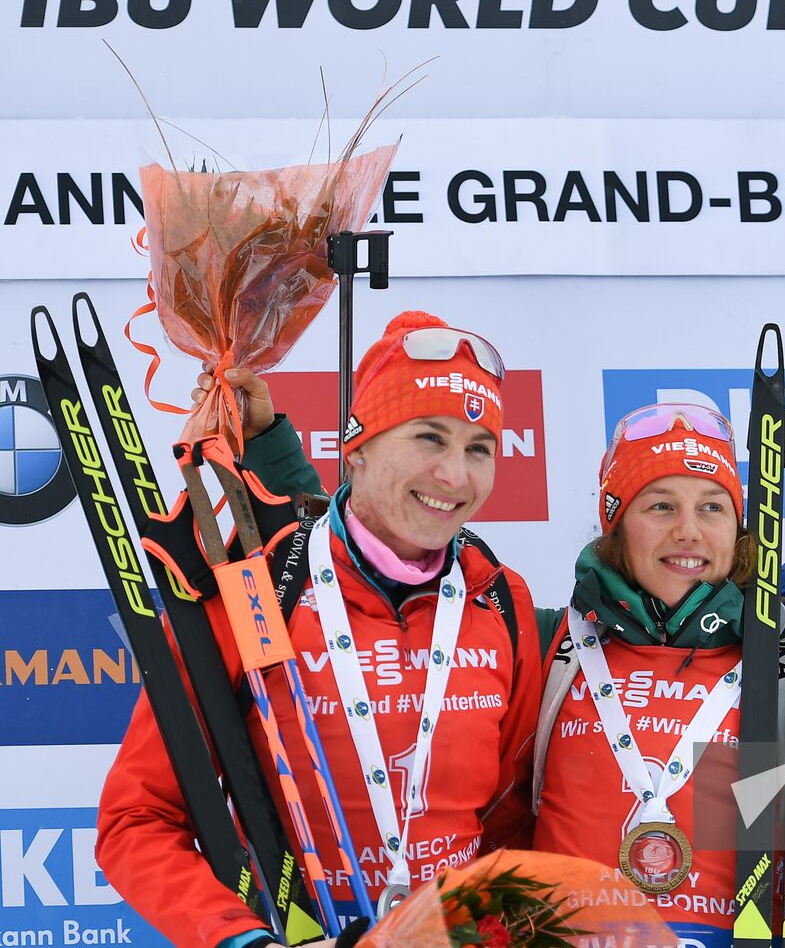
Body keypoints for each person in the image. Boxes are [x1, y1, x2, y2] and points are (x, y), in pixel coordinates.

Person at [96, 312, 541, 948]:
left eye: (479, 448)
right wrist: (242, 940)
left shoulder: (498, 600)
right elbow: (136, 819)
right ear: (356, 449)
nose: (455, 476)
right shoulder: (256, 588)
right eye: (428, 438)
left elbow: (511, 819)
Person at [527, 403, 785, 946]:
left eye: (712, 508)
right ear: (615, 522)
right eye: (661, 506)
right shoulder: (548, 645)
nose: (688, 532)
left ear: (738, 530)